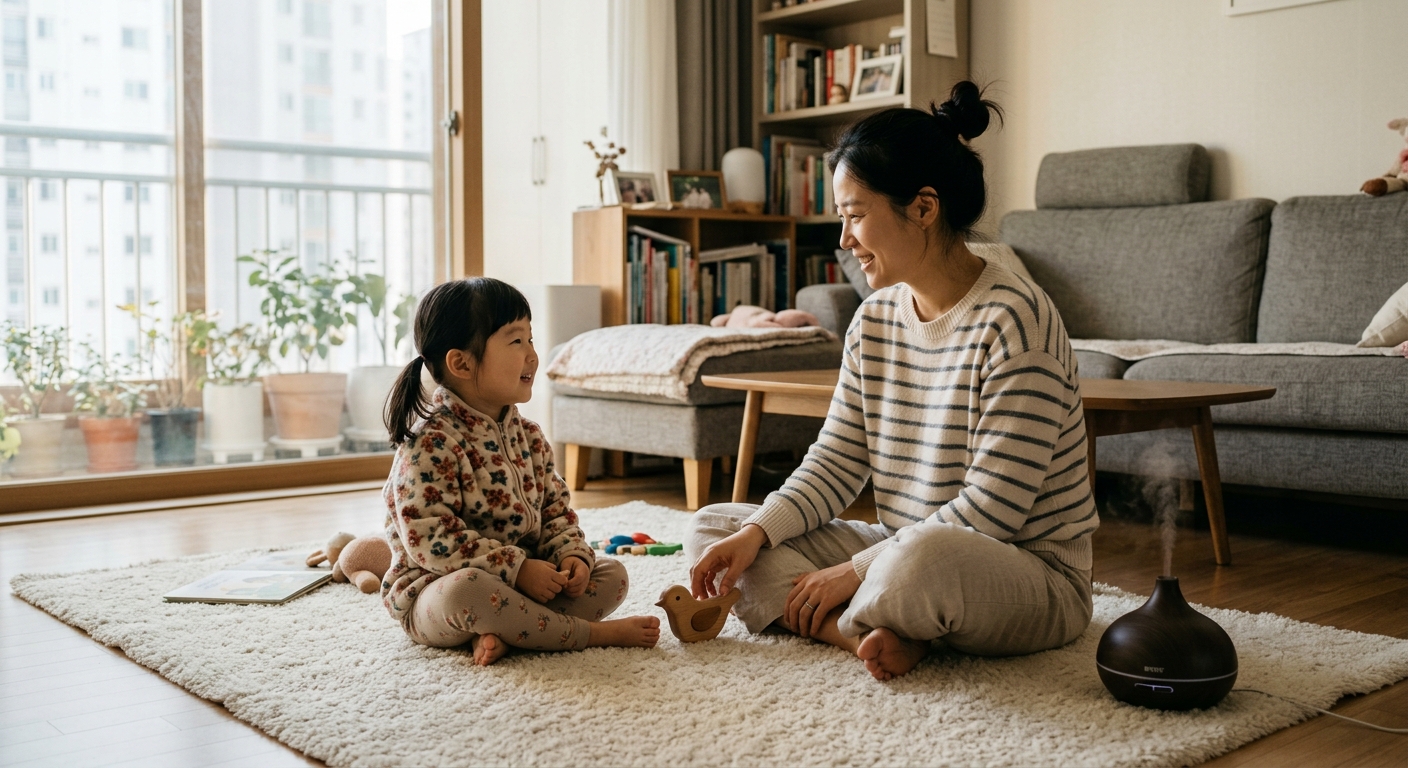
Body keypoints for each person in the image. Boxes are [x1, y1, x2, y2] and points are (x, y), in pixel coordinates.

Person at [686, 81, 1097, 681]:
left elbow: (995, 511)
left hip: (1026, 571)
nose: (844, 240)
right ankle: (869, 633)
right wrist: (758, 532)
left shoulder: (1017, 320)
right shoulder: (874, 320)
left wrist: (852, 572)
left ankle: (867, 610)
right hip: (900, 543)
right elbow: (836, 461)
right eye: (841, 218)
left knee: (921, 560)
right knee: (716, 530)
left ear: (924, 208)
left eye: (855, 216)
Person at [381, 277, 660, 666]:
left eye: (531, 339)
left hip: (526, 585)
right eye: (516, 341)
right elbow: (432, 540)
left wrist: (571, 555)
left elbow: (555, 511)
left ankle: (513, 633)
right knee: (467, 591)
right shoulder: (429, 444)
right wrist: (516, 568)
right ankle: (586, 634)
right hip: (438, 593)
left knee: (611, 574)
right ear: (461, 363)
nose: (532, 354)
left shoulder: (529, 436)